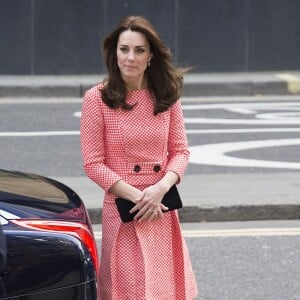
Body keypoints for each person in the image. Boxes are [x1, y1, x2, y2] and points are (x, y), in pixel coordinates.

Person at [80, 15, 198, 300]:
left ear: (150, 56)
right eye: (124, 49)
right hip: (125, 206)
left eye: (139, 50)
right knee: (127, 289)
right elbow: (93, 163)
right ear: (115, 52)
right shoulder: (97, 98)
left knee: (162, 289)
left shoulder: (166, 95)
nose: (130, 57)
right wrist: (138, 197)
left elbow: (180, 151)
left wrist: (159, 189)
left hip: (160, 206)